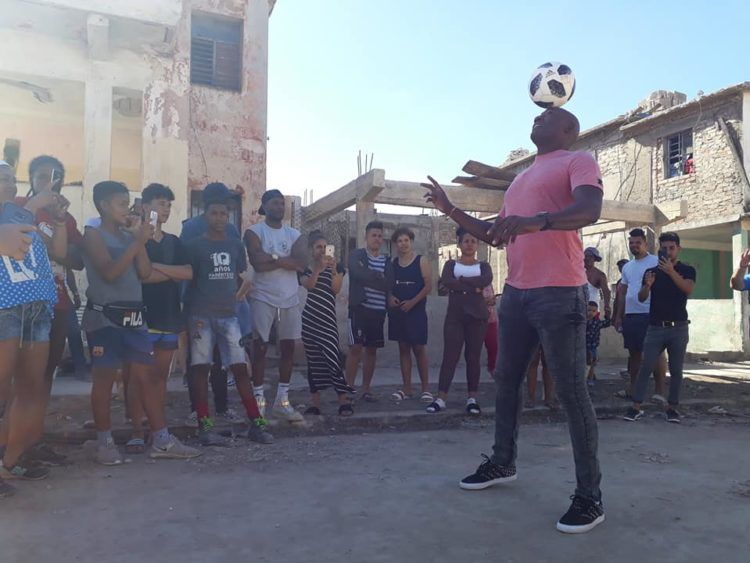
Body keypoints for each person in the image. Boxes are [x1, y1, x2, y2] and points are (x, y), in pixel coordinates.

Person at [423, 107, 605, 533]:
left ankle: (589, 498)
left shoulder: (578, 161)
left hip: (560, 292)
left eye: (548, 118)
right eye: (537, 119)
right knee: (506, 380)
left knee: (572, 393)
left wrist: (536, 222)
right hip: (518, 295)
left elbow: (590, 209)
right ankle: (502, 462)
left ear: (568, 130)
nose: (537, 120)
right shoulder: (522, 178)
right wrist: (451, 209)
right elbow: (496, 233)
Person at [81, 181, 200, 465]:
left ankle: (162, 439)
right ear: (104, 206)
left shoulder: (129, 236)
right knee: (105, 380)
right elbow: (109, 272)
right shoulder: (93, 235)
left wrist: (138, 242)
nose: (128, 209)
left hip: (135, 317)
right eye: (121, 204)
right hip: (104, 316)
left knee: (144, 378)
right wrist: (137, 243)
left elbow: (144, 271)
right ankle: (104, 441)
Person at [11, 155, 81, 468]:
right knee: (18, 379)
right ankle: (12, 447)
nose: (49, 183)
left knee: (44, 377)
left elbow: (64, 255)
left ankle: (33, 441)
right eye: (42, 176)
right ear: (30, 178)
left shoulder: (62, 216)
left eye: (56, 177)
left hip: (58, 301)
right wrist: (34, 206)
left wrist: (60, 220)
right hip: (19, 303)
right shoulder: (15, 206)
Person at [184, 197, 273, 444]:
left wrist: (236, 300)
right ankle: (205, 427)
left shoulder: (235, 245)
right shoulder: (194, 247)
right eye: (214, 213)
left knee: (240, 370)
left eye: (224, 214)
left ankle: (257, 424)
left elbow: (241, 277)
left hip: (228, 316)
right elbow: (188, 281)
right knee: (201, 370)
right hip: (200, 317)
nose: (220, 218)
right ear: (206, 215)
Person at [0, 161, 57, 496]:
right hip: (4, 308)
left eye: (10, 178)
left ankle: (11, 461)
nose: (7, 183)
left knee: (31, 388)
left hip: (37, 307)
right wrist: (34, 206)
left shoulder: (21, 213)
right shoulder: (22, 213)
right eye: (0, 178)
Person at [124, 184, 194, 453]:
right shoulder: (134, 239)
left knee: (160, 377)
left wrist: (157, 269)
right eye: (161, 203)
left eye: (168, 204)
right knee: (137, 377)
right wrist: (167, 272)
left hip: (168, 316)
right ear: (145, 206)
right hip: (141, 315)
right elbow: (141, 275)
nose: (166, 209)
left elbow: (188, 272)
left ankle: (157, 429)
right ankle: (136, 430)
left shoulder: (175, 242)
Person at [180, 183, 242, 425]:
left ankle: (198, 408)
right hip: (213, 304)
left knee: (200, 360)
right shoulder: (222, 228)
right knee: (218, 358)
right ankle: (220, 407)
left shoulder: (190, 227)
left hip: (199, 303)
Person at [245, 189, 306, 422]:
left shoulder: (295, 234)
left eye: (282, 203)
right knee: (259, 348)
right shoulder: (253, 231)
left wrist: (271, 257)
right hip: (262, 297)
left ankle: (282, 400)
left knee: (288, 349)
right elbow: (257, 264)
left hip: (290, 299)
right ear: (264, 205)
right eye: (275, 203)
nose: (280, 207)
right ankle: (259, 401)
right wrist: (284, 261)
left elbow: (301, 264)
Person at [624, 232, 695, 423]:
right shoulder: (651, 272)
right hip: (655, 327)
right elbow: (641, 297)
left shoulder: (687, 270)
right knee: (645, 367)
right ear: (659, 249)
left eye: (672, 247)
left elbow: (687, 289)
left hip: (678, 327)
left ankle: (672, 408)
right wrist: (647, 286)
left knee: (676, 370)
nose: (668, 251)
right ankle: (636, 406)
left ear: (678, 249)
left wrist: (671, 271)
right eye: (664, 248)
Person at [426, 228, 492, 414]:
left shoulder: (484, 266)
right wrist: (474, 286)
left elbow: (486, 280)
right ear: (459, 244)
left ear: (477, 245)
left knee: (473, 358)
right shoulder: (450, 265)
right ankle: (441, 399)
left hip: (477, 318)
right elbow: (447, 281)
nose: (469, 244)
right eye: (466, 241)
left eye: (473, 241)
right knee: (450, 357)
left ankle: (472, 399)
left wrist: (461, 282)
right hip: (455, 317)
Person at [299, 231, 353, 416]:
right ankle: (315, 404)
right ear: (312, 250)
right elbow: (309, 285)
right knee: (313, 362)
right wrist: (318, 269)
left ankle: (343, 401)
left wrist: (333, 269)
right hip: (310, 320)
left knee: (333, 358)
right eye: (318, 247)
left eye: (324, 247)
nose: (322, 251)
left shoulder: (336, 267)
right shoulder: (306, 268)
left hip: (328, 320)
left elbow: (336, 289)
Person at [613, 228, 667, 402]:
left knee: (656, 353)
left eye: (638, 243)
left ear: (645, 243)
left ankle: (659, 391)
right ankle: (633, 389)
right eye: (631, 243)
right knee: (634, 354)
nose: (634, 246)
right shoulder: (627, 267)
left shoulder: (656, 262)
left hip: (651, 313)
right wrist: (619, 315)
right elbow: (623, 293)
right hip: (632, 315)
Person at [344, 221, 394, 401]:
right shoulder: (356, 255)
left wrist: (372, 276)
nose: (377, 239)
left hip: (378, 311)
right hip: (359, 309)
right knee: (355, 348)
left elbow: (389, 283)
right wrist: (377, 277)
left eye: (380, 236)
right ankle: (348, 389)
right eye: (374, 235)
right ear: (366, 237)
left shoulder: (387, 261)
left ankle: (365, 390)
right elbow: (357, 273)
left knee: (371, 350)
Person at [388, 227, 433, 403]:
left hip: (416, 312)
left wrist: (413, 302)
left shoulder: (421, 261)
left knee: (419, 349)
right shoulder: (392, 263)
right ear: (395, 244)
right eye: (399, 241)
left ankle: (426, 389)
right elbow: (388, 286)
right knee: (403, 348)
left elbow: (428, 286)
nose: (403, 244)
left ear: (411, 242)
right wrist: (390, 297)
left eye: (406, 240)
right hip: (399, 313)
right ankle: (406, 388)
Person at [586, 301, 611, 386]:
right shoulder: (582, 323)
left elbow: (607, 323)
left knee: (593, 363)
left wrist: (608, 315)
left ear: (597, 312)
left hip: (593, 347)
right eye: (589, 310)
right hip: (583, 347)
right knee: (584, 364)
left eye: (593, 311)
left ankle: (590, 378)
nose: (591, 313)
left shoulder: (597, 322)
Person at [583, 247, 610, 317]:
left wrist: (607, 307)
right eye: (586, 256)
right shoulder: (577, 272)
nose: (587, 258)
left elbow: (606, 291)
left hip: (593, 311)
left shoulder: (600, 275)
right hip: (579, 310)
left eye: (590, 256)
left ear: (595, 259)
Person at [482, 284, 498, 378]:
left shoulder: (488, 283)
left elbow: (493, 300)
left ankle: (492, 368)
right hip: (476, 320)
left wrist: (492, 300)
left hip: (490, 319)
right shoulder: (473, 281)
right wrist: (483, 302)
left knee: (493, 345)